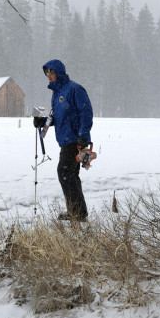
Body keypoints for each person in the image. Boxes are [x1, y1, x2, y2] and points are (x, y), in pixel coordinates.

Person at [33, 59, 93, 222]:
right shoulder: (57, 94)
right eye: (47, 73)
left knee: (65, 172)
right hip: (66, 139)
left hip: (74, 139)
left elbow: (86, 112)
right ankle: (77, 212)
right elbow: (57, 117)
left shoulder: (74, 89)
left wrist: (83, 136)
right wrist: (44, 121)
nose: (49, 76)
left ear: (59, 72)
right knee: (71, 174)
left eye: (51, 73)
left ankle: (78, 213)